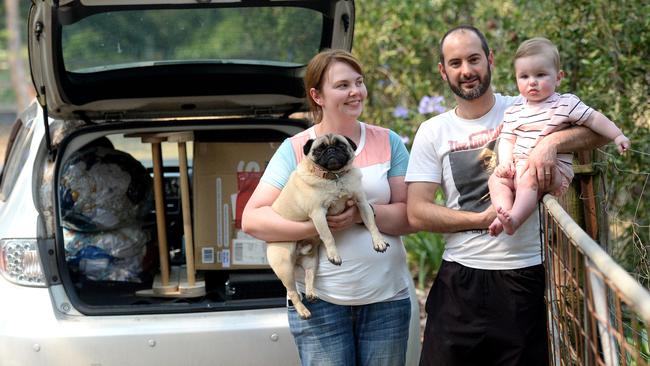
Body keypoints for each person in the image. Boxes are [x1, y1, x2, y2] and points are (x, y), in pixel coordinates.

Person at [405, 25, 608, 366]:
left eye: (474, 59)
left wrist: (550, 143)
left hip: (523, 278)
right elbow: (417, 212)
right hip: (459, 280)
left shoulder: (529, 105)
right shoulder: (432, 132)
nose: (466, 70)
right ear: (443, 71)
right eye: (455, 63)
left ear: (490, 60)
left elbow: (595, 130)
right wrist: (480, 220)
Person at [242, 49, 419, 366]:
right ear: (317, 95)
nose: (355, 92)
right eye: (342, 85)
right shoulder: (295, 148)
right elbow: (253, 219)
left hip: (387, 301)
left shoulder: (387, 140)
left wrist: (358, 218)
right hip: (322, 302)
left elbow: (410, 215)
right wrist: (313, 228)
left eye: (359, 82)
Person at [488, 37, 630, 236]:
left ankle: (515, 219)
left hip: (552, 171)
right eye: (524, 76)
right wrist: (504, 163)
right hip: (518, 166)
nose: (532, 82)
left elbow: (594, 119)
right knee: (496, 179)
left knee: (530, 177)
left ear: (558, 77)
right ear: (516, 79)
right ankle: (504, 212)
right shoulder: (514, 110)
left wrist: (617, 135)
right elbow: (507, 139)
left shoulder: (565, 104)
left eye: (540, 75)